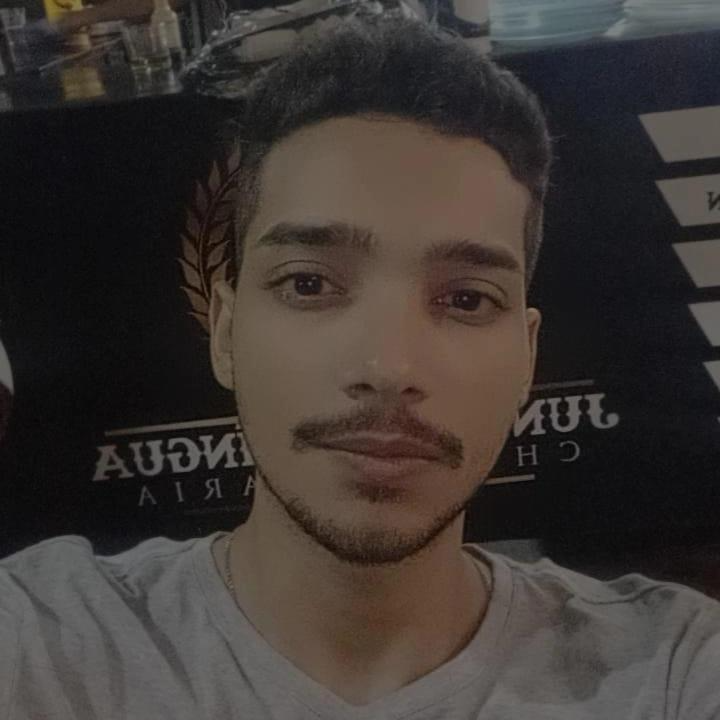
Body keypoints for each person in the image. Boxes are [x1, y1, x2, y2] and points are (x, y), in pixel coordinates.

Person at [1, 14, 719, 720]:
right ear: (224, 331)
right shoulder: (40, 640)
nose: (388, 365)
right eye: (309, 283)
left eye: (466, 299)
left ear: (527, 355)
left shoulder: (673, 669)